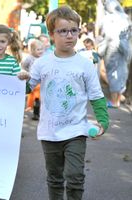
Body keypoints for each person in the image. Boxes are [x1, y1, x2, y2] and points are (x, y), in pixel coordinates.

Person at [18, 6, 109, 200]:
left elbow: (96, 95)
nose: (69, 35)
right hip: (49, 132)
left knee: (75, 176)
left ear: (78, 31)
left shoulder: (84, 64)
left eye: (74, 30)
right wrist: (22, 80)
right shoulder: (42, 63)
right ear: (52, 34)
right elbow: (26, 88)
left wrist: (103, 120)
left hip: (76, 130)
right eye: (63, 31)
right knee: (54, 178)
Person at [21, 39, 44, 120]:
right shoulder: (29, 58)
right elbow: (23, 65)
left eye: (42, 49)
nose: (40, 51)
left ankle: (36, 113)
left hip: (41, 81)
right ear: (33, 50)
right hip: (31, 80)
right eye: (38, 49)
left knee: (38, 97)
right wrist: (27, 72)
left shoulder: (43, 58)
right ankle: (29, 109)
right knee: (31, 96)